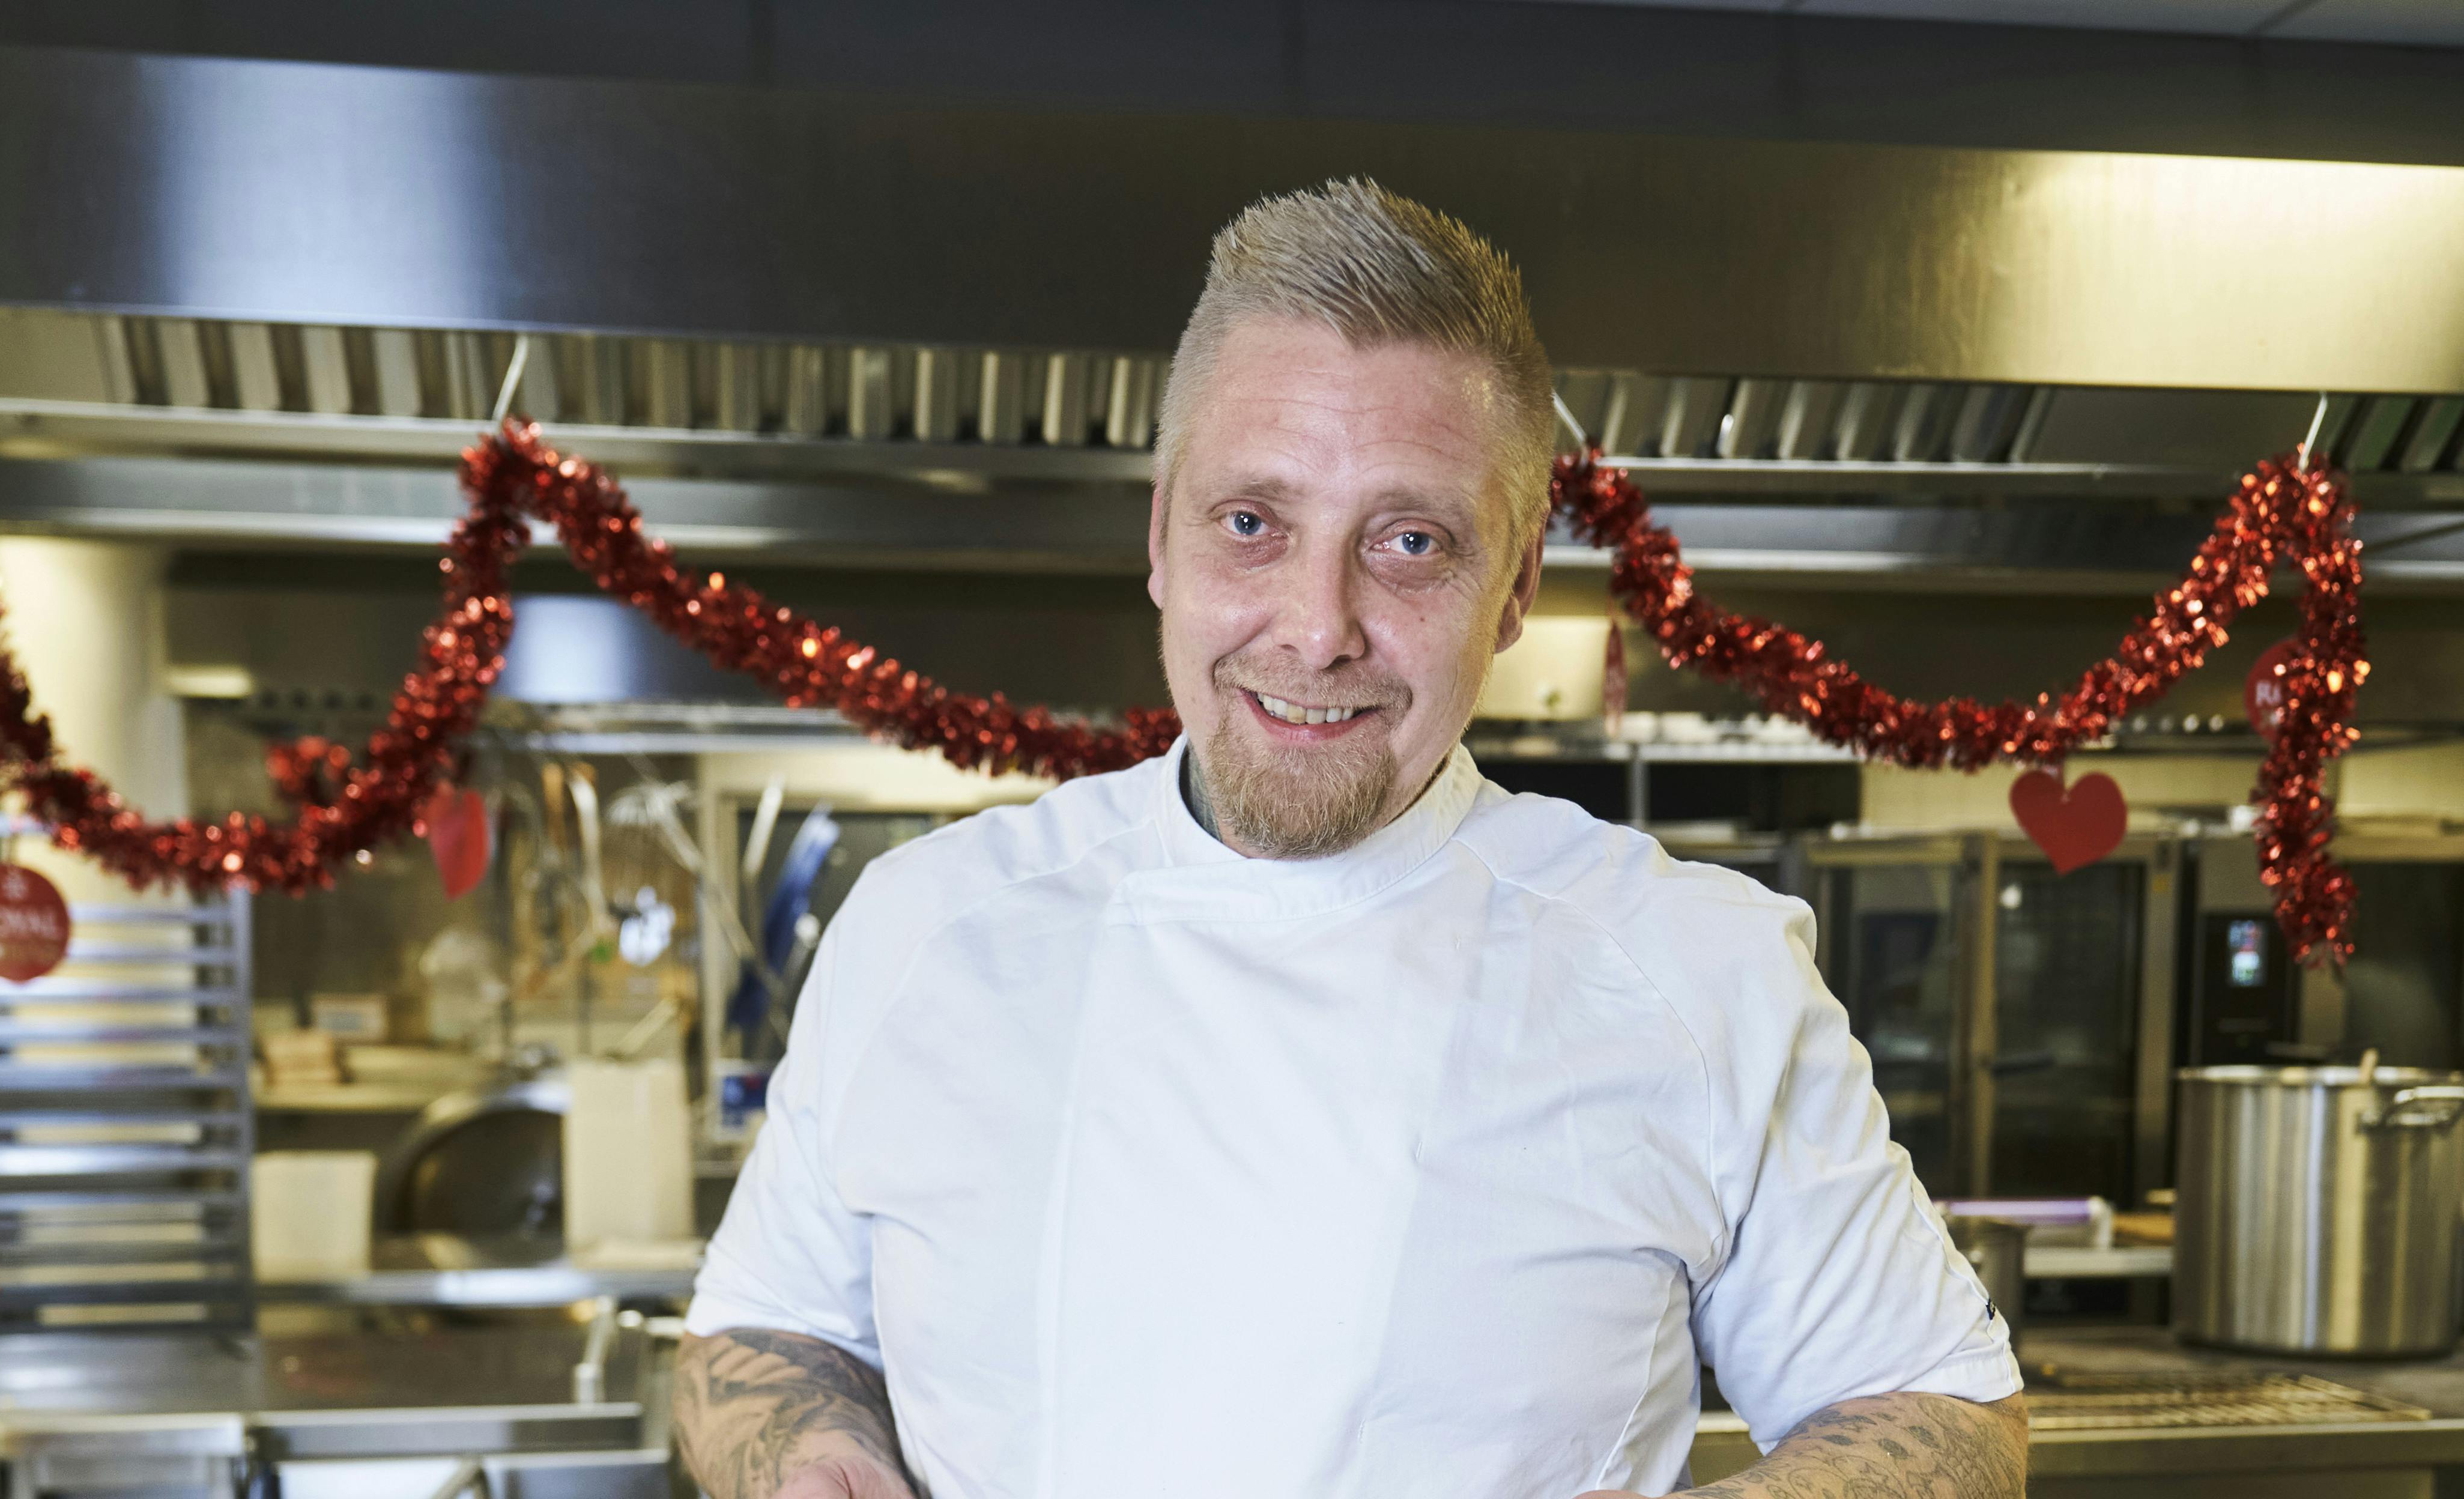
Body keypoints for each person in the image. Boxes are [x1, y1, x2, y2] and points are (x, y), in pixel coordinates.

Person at [673, 180, 2027, 1499]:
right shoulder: (923, 927)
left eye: (1409, 543)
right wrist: (800, 1452)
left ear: (1509, 594)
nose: (1316, 627)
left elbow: (1939, 1412)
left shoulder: (1695, 970)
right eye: (1252, 523)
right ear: (1162, 539)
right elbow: (764, 1327)